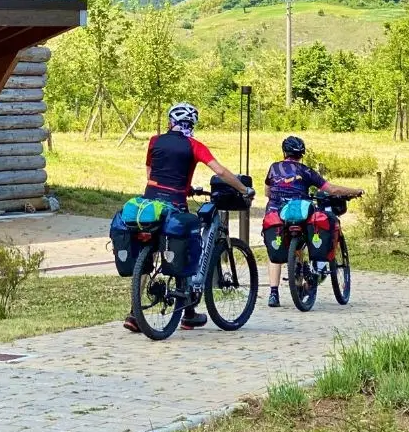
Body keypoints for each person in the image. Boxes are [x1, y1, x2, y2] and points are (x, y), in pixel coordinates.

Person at [124, 102, 251, 333]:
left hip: (150, 203)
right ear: (192, 124)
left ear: (170, 121)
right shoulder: (194, 145)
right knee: (190, 246)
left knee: (152, 252)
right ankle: (189, 313)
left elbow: (152, 174)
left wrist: (182, 185)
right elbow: (220, 172)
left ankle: (135, 313)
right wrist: (244, 189)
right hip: (174, 203)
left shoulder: (155, 141)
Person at [261, 136, 363, 308]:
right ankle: (304, 282)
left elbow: (267, 192)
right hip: (299, 212)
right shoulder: (306, 171)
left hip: (276, 213)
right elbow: (331, 189)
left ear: (284, 152)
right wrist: (355, 191)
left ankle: (273, 293)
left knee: (276, 250)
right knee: (305, 235)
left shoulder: (273, 168)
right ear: (302, 154)